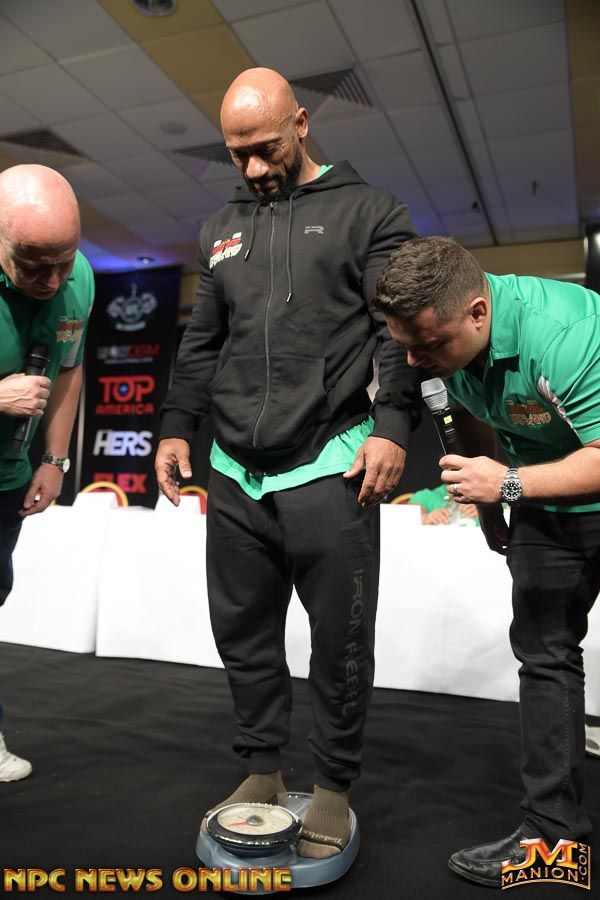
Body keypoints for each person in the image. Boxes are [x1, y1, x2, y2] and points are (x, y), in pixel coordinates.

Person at [156, 67, 420, 857]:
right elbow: (204, 340)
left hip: (330, 463)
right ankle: (262, 769)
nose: (252, 167)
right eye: (236, 153)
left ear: (300, 124)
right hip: (235, 469)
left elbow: (398, 328)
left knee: (340, 639)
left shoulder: (370, 211)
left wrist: (393, 424)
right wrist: (176, 426)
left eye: (266, 148)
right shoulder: (221, 228)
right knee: (243, 631)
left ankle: (333, 784)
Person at [374, 234, 600, 887]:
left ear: (478, 313)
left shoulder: (564, 333)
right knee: (546, 656)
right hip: (542, 501)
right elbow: (472, 417)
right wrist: (494, 507)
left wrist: (508, 486)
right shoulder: (442, 341)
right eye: (404, 345)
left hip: (558, 477)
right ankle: (555, 841)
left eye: (427, 344)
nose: (413, 361)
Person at [0, 164, 94, 781]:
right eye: (36, 265)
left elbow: (69, 367)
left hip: (7, 478)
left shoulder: (79, 277)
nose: (54, 279)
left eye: (64, 261)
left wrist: (55, 460)